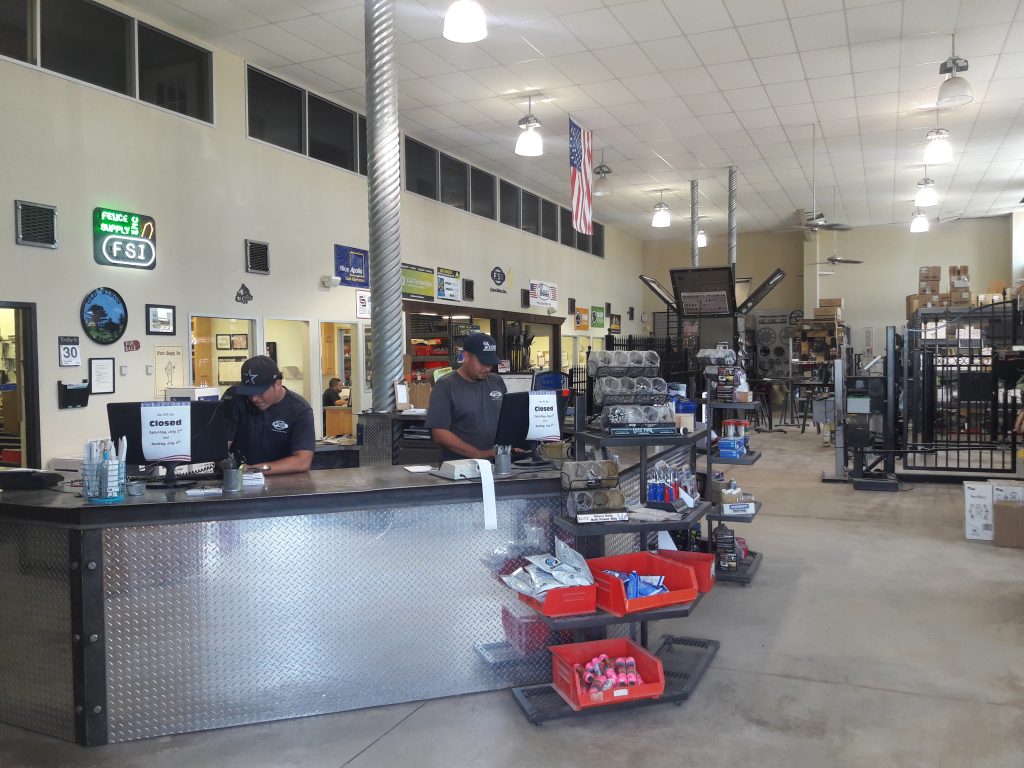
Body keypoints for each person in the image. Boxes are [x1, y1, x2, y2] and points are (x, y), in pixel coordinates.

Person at [229, 355, 315, 475]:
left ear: (277, 385)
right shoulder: (236, 400)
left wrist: (253, 470)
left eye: (259, 392)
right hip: (238, 478)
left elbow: (302, 461)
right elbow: (222, 444)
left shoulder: (300, 410)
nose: (254, 398)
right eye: (249, 392)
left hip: (283, 481)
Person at [425, 333, 506, 460]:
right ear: (466, 356)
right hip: (461, 466)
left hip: (497, 463)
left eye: (490, 364)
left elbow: (506, 419)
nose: (487, 368)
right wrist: (479, 454)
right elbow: (439, 433)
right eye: (483, 363)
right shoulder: (445, 386)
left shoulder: (496, 381)